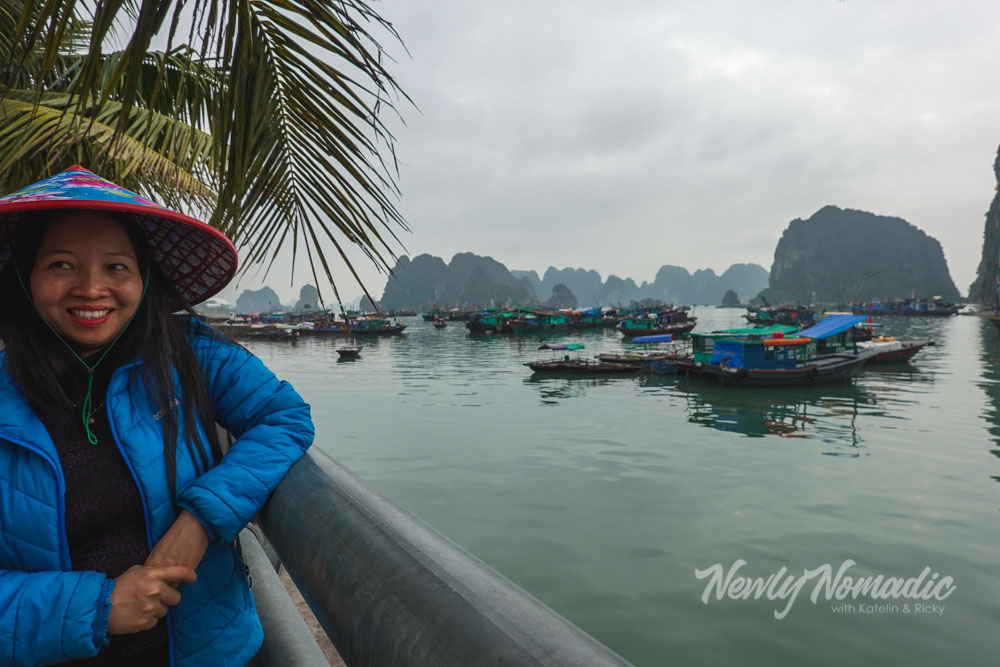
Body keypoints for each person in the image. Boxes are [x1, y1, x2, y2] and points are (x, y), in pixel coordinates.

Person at [0, 166, 315, 666]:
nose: (91, 288)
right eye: (61, 265)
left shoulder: (189, 355)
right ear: (24, 277)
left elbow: (284, 417)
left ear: (144, 279)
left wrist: (202, 520)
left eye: (117, 267)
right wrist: (95, 609)